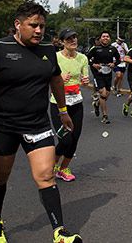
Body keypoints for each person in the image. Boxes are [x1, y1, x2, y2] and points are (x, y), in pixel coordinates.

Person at [0, 2, 82, 243]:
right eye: (33, 25)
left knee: (46, 175)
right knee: (0, 176)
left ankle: (59, 232)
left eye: (42, 26)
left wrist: (62, 111)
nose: (39, 30)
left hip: (37, 124)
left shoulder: (48, 50)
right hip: (3, 125)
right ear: (18, 25)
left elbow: (56, 81)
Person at [52, 28, 90, 182]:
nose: (73, 41)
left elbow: (84, 81)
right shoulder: (55, 58)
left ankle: (63, 169)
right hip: (58, 104)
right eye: (69, 39)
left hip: (76, 102)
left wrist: (85, 82)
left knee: (74, 138)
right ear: (62, 42)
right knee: (65, 139)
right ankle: (52, 166)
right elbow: (46, 80)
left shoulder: (82, 58)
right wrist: (58, 78)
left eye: (74, 38)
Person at [87, 31, 120, 124]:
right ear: (100, 38)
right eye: (103, 36)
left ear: (109, 38)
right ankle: (105, 116)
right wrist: (94, 64)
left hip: (108, 73)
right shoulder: (95, 49)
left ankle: (97, 104)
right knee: (103, 94)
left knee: (106, 95)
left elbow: (118, 59)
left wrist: (114, 64)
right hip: (99, 74)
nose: (105, 38)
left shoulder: (112, 49)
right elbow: (87, 59)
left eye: (107, 36)